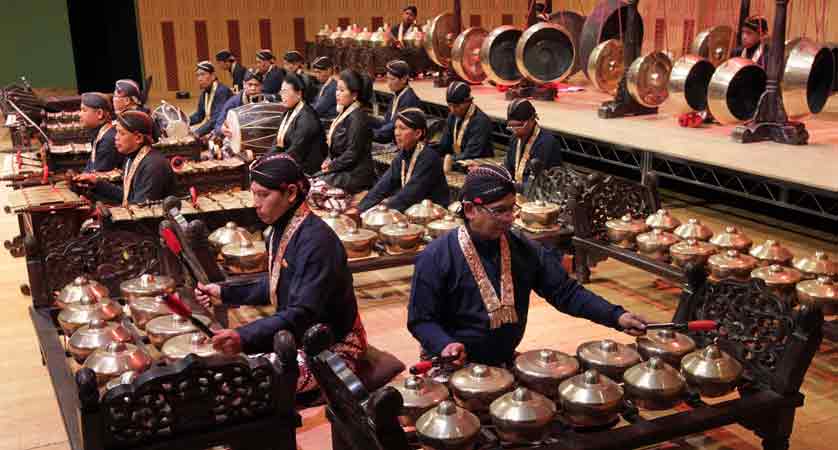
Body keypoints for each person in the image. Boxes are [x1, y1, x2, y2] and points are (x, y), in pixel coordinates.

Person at [407, 165, 648, 367]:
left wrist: (616, 316)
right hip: (451, 362)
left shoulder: (521, 247)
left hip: (503, 361)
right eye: (499, 211)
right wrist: (444, 344)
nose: (510, 218)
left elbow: (565, 292)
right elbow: (421, 320)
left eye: (512, 208)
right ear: (470, 209)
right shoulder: (436, 257)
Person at [194, 153, 367, 393]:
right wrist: (224, 293)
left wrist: (243, 336)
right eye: (253, 193)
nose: (256, 202)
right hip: (296, 333)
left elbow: (302, 314)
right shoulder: (280, 228)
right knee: (219, 370)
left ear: (291, 193)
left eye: (263, 195)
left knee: (245, 386)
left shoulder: (317, 242)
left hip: (332, 348)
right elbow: (277, 282)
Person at [73, 111, 176, 206]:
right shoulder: (130, 158)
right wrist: (97, 183)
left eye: (121, 133)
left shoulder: (153, 166)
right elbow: (127, 197)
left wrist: (101, 209)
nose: (116, 137)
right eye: (117, 132)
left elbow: (142, 211)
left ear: (138, 138)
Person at [357, 108, 449, 213]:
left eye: (402, 128)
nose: (397, 133)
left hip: (431, 213)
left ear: (418, 133)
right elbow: (383, 185)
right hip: (410, 208)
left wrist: (381, 209)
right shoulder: (403, 154)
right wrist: (360, 208)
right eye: (396, 128)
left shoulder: (429, 158)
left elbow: (410, 195)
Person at [317, 69, 376, 196]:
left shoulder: (357, 118)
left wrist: (332, 165)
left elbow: (352, 153)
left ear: (354, 95)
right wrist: (329, 160)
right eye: (337, 89)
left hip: (356, 174)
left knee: (316, 186)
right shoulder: (347, 111)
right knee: (313, 181)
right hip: (345, 168)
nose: (337, 94)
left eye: (342, 90)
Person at [269, 73, 326, 175]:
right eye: (281, 91)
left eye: (285, 91)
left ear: (299, 94)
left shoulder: (307, 118)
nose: (281, 94)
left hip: (306, 168)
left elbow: (296, 152)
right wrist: (266, 158)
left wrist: (274, 163)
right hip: (290, 161)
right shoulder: (288, 112)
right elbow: (277, 143)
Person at [503, 99, 562, 192]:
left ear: (532, 120)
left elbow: (538, 183)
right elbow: (508, 167)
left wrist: (510, 186)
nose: (515, 130)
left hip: (540, 193)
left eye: (519, 126)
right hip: (518, 189)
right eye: (511, 126)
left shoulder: (546, 143)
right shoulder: (514, 138)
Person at [435, 82, 493, 162]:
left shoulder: (481, 121)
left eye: (456, 106)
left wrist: (448, 160)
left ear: (468, 101)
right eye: (449, 105)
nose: (452, 109)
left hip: (477, 165)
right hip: (457, 161)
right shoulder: (452, 116)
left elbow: (471, 154)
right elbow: (444, 145)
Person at [370, 60, 421, 144]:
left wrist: (370, 133)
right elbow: (386, 122)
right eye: (387, 78)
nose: (388, 83)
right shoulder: (397, 95)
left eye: (392, 79)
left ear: (404, 79)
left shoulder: (409, 100)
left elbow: (392, 129)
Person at [78, 92, 123, 173]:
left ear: (99, 113)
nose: (79, 114)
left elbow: (99, 175)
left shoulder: (108, 140)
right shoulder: (100, 135)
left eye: (84, 110)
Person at [214, 69, 264, 139]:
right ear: (244, 84)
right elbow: (218, 125)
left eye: (256, 85)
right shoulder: (233, 102)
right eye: (250, 84)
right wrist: (222, 129)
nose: (253, 88)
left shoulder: (266, 100)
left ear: (262, 86)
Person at [189, 61, 233, 140]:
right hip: (214, 127)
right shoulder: (205, 93)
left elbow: (217, 117)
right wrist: (184, 121)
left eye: (202, 74)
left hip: (227, 130)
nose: (199, 78)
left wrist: (198, 132)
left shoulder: (222, 91)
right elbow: (199, 115)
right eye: (197, 75)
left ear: (213, 76)